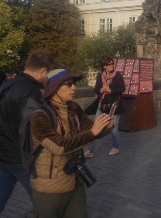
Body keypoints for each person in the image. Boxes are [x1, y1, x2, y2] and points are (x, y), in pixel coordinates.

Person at [30, 69, 113, 217]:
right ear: (53, 89)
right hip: (49, 189)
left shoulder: (74, 108)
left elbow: (91, 130)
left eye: (74, 84)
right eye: (68, 84)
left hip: (75, 183)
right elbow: (60, 146)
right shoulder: (40, 117)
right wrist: (93, 132)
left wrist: (106, 126)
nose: (74, 87)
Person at [0, 51, 55, 218]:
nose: (48, 80)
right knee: (45, 204)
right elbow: (31, 129)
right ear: (43, 71)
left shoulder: (6, 85)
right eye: (48, 75)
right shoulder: (31, 92)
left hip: (0, 153)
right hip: (20, 159)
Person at [84, 58, 125, 157]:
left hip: (114, 105)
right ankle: (90, 150)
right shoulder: (100, 76)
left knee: (113, 128)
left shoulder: (117, 75)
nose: (111, 65)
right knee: (95, 126)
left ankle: (115, 147)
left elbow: (122, 88)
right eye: (109, 64)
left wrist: (111, 91)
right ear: (104, 66)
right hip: (102, 105)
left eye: (112, 64)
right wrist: (103, 89)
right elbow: (97, 89)